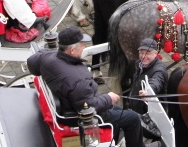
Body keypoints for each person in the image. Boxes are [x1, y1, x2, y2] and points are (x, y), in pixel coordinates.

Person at [27, 27, 163, 147]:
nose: (84, 48)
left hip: (70, 104)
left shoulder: (49, 57)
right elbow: (87, 105)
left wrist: (107, 100)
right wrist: (108, 98)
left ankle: (113, 139)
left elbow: (32, 63)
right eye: (82, 45)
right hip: (81, 116)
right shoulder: (77, 78)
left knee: (118, 109)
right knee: (132, 118)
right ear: (72, 50)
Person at [127, 39, 168, 115]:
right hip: (135, 109)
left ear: (155, 54)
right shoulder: (138, 64)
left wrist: (148, 92)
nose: (143, 56)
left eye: (148, 53)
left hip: (150, 114)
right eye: (141, 53)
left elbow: (156, 82)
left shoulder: (159, 70)